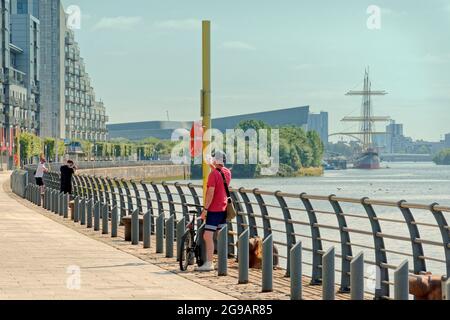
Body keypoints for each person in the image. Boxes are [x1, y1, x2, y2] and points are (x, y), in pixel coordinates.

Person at [196, 150, 232, 272]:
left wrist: (205, 210)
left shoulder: (213, 175)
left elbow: (210, 193)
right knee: (220, 236)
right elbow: (219, 173)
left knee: (208, 235)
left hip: (214, 209)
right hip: (224, 208)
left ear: (215, 160)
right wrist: (212, 166)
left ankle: (209, 263)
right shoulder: (227, 172)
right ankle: (222, 263)